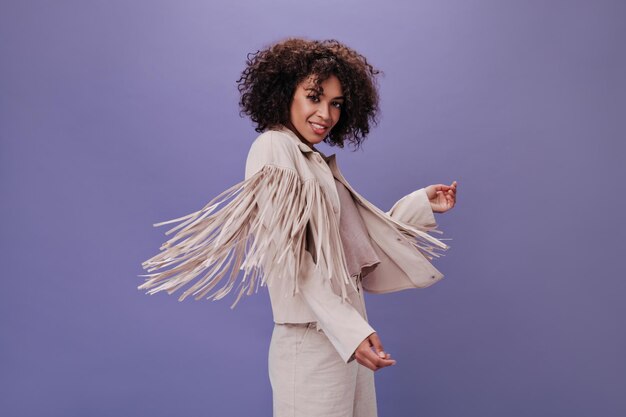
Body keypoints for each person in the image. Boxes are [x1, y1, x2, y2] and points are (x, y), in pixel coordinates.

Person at [139, 37, 457, 417]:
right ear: (284, 93)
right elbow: (290, 259)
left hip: (345, 339)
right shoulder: (274, 148)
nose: (326, 113)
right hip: (312, 343)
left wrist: (420, 203)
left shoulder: (312, 160)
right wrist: (350, 332)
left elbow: (353, 247)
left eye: (336, 103)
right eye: (314, 97)